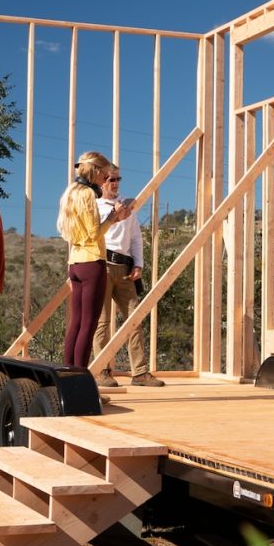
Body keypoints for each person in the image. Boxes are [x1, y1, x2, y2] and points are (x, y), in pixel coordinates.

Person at [56, 151, 132, 371]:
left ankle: (66, 375)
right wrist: (113, 218)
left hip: (75, 263)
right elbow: (93, 234)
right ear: (97, 171)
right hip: (92, 263)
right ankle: (79, 380)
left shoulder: (70, 192)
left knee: (76, 324)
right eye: (105, 174)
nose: (106, 179)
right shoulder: (88, 195)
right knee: (89, 325)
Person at [91, 164, 165, 386]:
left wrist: (139, 265)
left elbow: (135, 238)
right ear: (101, 182)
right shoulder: (94, 206)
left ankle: (140, 373)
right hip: (102, 265)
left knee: (135, 318)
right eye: (110, 179)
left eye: (117, 179)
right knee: (102, 322)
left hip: (124, 268)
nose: (114, 183)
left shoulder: (127, 206)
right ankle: (101, 371)